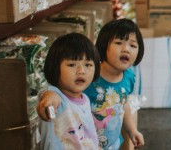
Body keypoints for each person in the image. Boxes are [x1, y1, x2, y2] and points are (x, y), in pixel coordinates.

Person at [38, 19, 146, 149]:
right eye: (118, 43)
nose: (126, 49)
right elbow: (57, 95)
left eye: (133, 46)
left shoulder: (128, 77)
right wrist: (49, 96)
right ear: (103, 45)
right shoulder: (88, 79)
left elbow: (124, 103)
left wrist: (132, 131)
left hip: (111, 145)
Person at [39, 33, 100, 150]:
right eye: (72, 64)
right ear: (55, 67)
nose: (81, 71)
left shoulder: (85, 100)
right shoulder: (57, 96)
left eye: (88, 65)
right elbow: (50, 97)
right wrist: (48, 102)